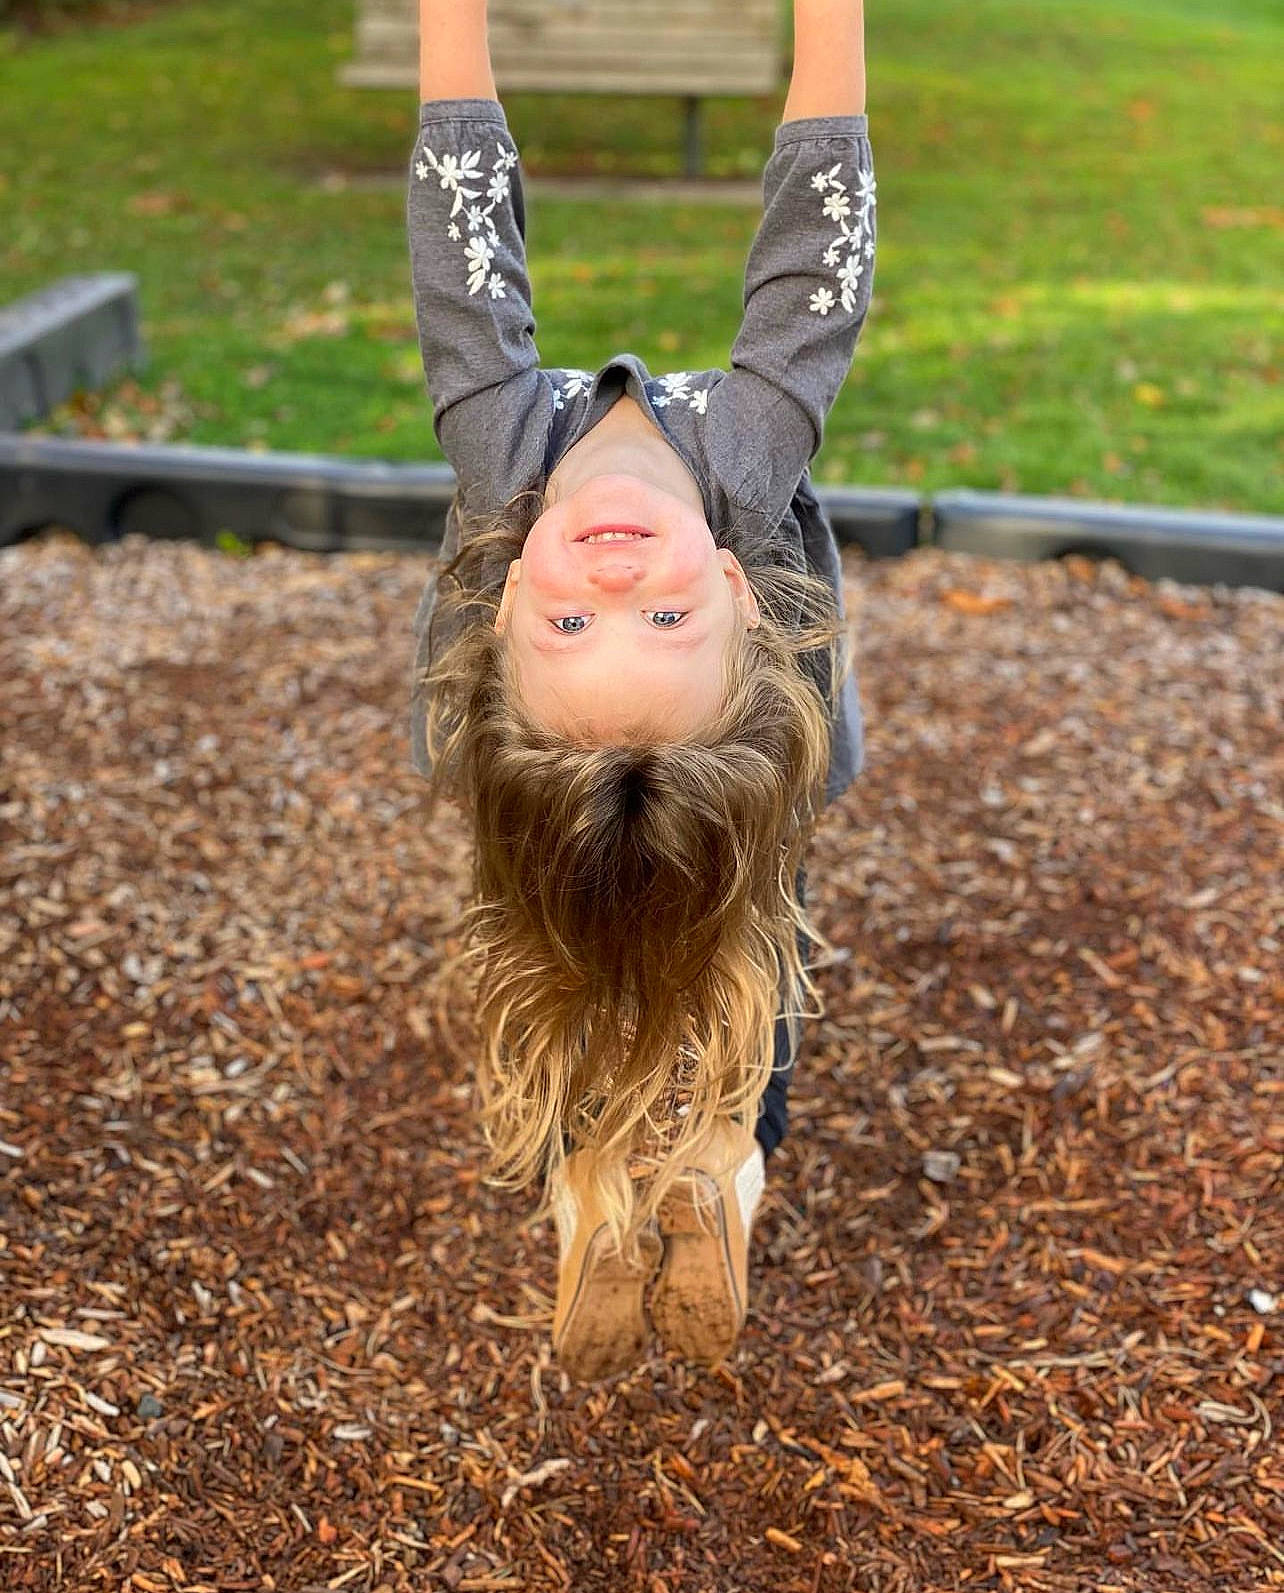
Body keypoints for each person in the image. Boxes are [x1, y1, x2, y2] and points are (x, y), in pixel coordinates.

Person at [407, 0, 874, 1381]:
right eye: (661, 615)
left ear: (501, 618)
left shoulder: (505, 450)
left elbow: (461, 244)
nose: (614, 577)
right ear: (739, 595)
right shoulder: (744, 459)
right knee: (745, 944)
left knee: (574, 936)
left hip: (566, 783)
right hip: (735, 780)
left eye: (568, 615)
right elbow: (815, 261)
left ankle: (592, 1187)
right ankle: (722, 1167)